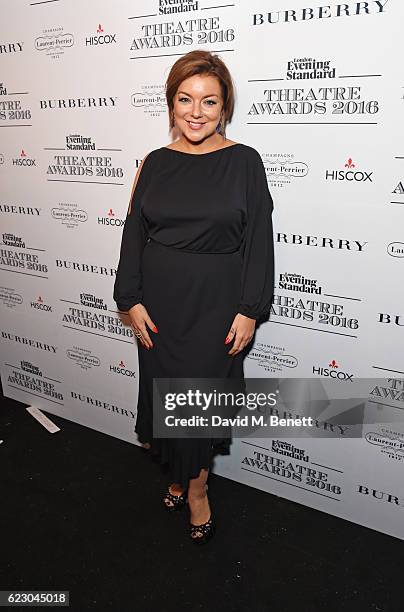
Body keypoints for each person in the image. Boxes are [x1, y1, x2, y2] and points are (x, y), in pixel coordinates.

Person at [113, 50, 275, 544]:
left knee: (198, 403)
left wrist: (250, 309)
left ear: (224, 106)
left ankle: (197, 488)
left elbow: (259, 241)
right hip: (158, 305)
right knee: (167, 397)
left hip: (216, 305)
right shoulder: (154, 164)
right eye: (185, 99)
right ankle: (181, 475)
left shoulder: (244, 162)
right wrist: (130, 297)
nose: (196, 111)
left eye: (209, 100)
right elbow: (133, 232)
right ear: (171, 104)